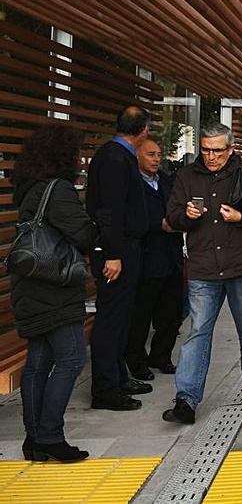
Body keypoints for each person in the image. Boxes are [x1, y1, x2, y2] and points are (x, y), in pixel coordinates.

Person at [162, 123, 242, 424]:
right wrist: (185, 216)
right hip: (203, 266)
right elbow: (172, 216)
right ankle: (186, 399)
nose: (211, 156)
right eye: (205, 150)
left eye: (217, 150)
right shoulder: (188, 175)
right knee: (198, 332)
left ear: (230, 149)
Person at [12, 125, 99, 462]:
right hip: (55, 289)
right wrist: (97, 223)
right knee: (71, 358)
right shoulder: (57, 189)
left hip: (29, 287)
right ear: (64, 155)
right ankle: (49, 436)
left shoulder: (30, 188)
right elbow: (82, 234)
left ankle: (34, 439)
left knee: (37, 363)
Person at [86, 105, 152, 411]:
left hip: (125, 248)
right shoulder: (115, 158)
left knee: (123, 316)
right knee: (111, 319)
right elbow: (109, 211)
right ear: (143, 130)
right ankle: (105, 388)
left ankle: (119, 376)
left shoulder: (116, 155)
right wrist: (112, 253)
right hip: (116, 251)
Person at [125, 139, 184, 381]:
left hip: (172, 256)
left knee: (172, 314)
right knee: (141, 316)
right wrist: (156, 225)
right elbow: (126, 217)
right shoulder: (131, 183)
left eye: (159, 154)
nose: (156, 159)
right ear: (137, 155)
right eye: (150, 154)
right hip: (146, 258)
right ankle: (136, 361)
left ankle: (161, 355)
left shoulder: (168, 182)